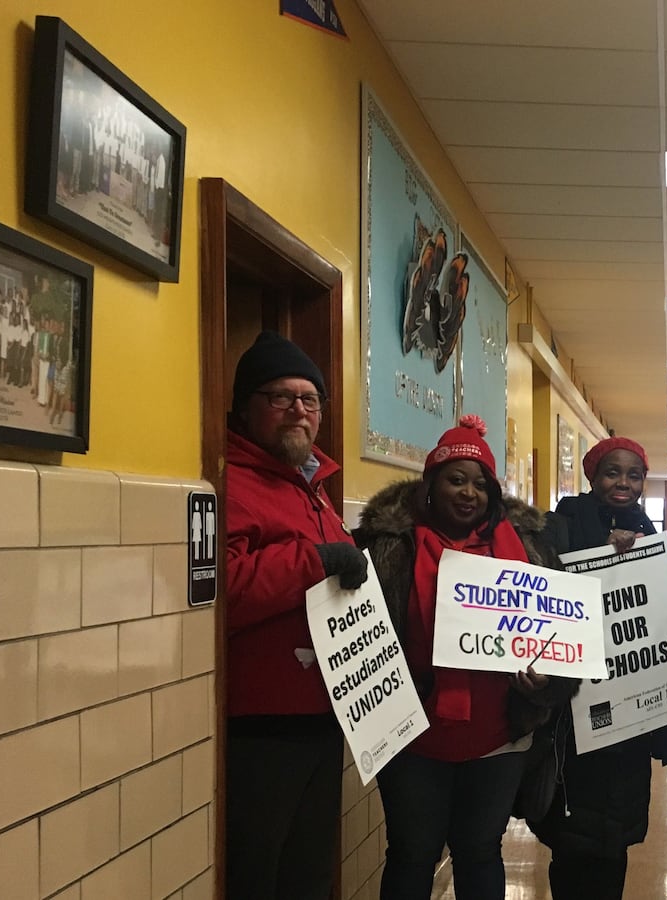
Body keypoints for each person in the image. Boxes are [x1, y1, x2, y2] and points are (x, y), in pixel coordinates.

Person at [354, 414, 576, 900]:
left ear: (493, 494)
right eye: (456, 479)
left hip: (499, 734)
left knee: (480, 850)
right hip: (411, 733)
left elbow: (563, 637)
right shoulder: (387, 546)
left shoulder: (531, 549)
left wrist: (548, 682)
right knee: (412, 852)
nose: (468, 492)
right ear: (430, 485)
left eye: (480, 484)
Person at [224, 331, 366, 900]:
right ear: (245, 407)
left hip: (323, 713)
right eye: (280, 398)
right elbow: (226, 591)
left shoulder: (314, 488)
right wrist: (315, 559)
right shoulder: (230, 482)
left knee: (308, 873)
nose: (298, 411)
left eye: (309, 400)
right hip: (263, 722)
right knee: (257, 872)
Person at [530, 436, 667, 899]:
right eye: (612, 472)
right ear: (591, 476)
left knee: (616, 836)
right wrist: (603, 554)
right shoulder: (562, 524)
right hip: (578, 711)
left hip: (632, 714)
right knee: (575, 838)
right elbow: (546, 591)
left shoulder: (646, 530)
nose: (623, 483)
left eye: (634, 474)